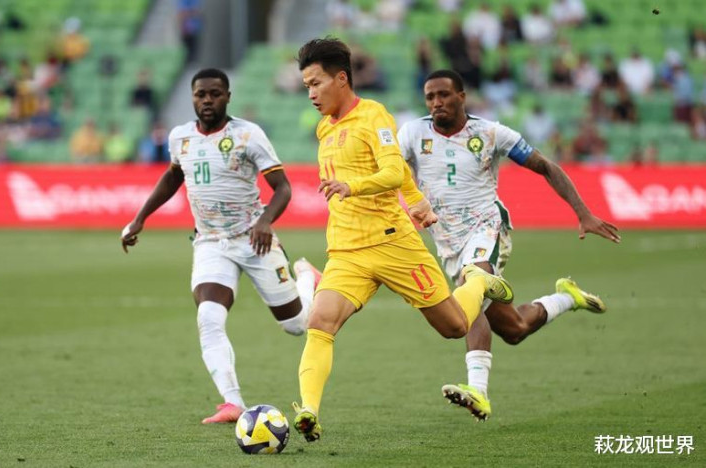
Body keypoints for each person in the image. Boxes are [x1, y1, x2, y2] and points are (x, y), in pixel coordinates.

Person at [291, 37, 517, 443]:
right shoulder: (325, 128)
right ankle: (309, 410)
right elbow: (401, 179)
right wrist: (417, 202)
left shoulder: (374, 116)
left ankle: (478, 281)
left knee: (453, 326)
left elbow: (394, 171)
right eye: (307, 85)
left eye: (315, 83)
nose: (310, 93)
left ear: (341, 79)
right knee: (320, 323)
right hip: (346, 250)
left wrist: (356, 187)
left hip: (393, 244)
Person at [397, 69, 620, 421]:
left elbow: (545, 166)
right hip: (448, 240)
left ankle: (478, 391)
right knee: (514, 329)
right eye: (430, 97)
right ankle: (567, 297)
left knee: (470, 288)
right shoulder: (412, 133)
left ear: (461, 96)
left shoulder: (490, 133)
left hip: (487, 228)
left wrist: (583, 213)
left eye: (444, 95)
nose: (436, 102)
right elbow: (389, 172)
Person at [120, 68, 321, 424]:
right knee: (208, 318)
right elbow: (173, 176)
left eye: (215, 94)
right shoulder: (180, 137)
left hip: (254, 239)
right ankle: (233, 402)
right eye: (201, 94)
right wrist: (140, 218)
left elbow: (284, 188)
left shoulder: (247, 135)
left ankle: (307, 278)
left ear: (228, 96)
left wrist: (265, 222)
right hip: (210, 242)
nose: (207, 100)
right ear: (193, 97)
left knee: (296, 325)